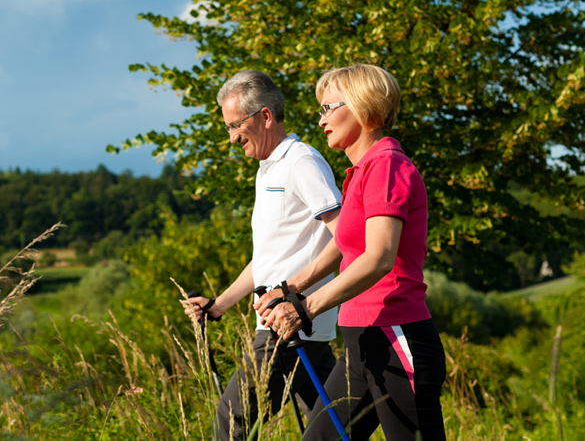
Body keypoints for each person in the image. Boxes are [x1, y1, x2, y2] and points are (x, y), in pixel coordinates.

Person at [261, 64, 447, 440]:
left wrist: (307, 307)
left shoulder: (387, 166)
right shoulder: (361, 172)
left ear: (364, 107)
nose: (322, 120)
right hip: (360, 341)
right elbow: (345, 244)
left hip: (396, 336)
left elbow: (378, 257)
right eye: (321, 111)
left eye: (329, 108)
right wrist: (290, 287)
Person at [183, 70, 342, 441]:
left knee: (231, 423)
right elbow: (268, 259)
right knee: (329, 429)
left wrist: (293, 292)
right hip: (294, 326)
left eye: (235, 125)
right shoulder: (267, 168)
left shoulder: (302, 162)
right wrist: (218, 306)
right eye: (227, 127)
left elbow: (346, 236)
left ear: (265, 116)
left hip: (290, 326)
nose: (232, 137)